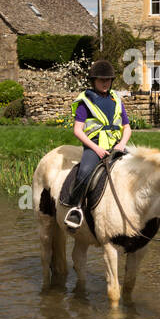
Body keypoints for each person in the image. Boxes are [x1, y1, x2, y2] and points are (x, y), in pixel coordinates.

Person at [63, 60, 131, 230]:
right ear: (93, 81)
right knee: (84, 172)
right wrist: (96, 149)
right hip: (94, 146)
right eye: (102, 80)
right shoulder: (85, 102)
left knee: (138, 166)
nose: (105, 83)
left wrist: (122, 144)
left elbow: (127, 128)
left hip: (116, 145)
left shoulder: (116, 99)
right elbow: (78, 131)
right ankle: (75, 207)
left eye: (108, 80)